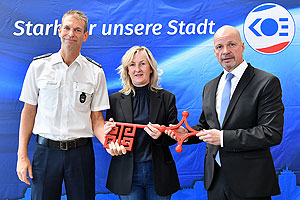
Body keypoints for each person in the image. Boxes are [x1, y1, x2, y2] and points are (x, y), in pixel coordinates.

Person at [166, 25, 284, 200]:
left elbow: (271, 133)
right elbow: (206, 127)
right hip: (216, 181)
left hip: (251, 182)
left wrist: (222, 138)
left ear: (242, 46)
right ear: (214, 51)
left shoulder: (266, 82)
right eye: (220, 47)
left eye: (231, 44)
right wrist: (186, 134)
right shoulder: (210, 86)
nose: (225, 51)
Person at [16, 10, 110, 200]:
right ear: (59, 30)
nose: (71, 34)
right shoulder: (38, 67)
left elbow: (97, 119)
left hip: (81, 154)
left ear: (85, 36)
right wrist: (22, 155)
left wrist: (108, 143)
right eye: (67, 28)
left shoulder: (95, 72)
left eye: (77, 30)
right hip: (46, 153)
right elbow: (28, 112)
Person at [103, 46, 180, 200]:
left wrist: (160, 135)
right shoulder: (114, 100)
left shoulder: (166, 98)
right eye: (132, 65)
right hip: (127, 174)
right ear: (127, 70)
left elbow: (174, 136)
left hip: (158, 173)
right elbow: (111, 138)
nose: (137, 69)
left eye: (142, 64)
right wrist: (108, 133)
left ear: (151, 68)